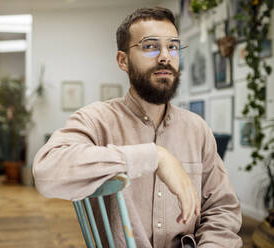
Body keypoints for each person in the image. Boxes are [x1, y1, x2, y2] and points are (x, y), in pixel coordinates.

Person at [33, 7, 242, 248]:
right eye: (150, 46)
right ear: (123, 60)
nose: (165, 56)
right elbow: (46, 172)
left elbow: (222, 209)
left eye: (173, 46)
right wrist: (154, 156)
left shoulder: (197, 129)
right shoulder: (96, 119)